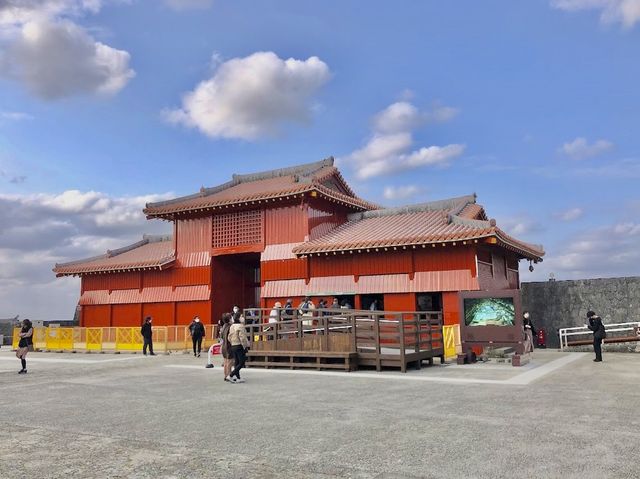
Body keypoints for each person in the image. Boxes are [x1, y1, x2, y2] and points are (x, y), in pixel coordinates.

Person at [228, 313, 249, 383]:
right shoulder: (241, 326)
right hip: (239, 345)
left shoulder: (232, 326)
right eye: (241, 316)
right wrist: (245, 346)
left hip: (233, 345)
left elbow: (229, 337)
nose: (242, 317)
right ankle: (231, 375)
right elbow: (242, 338)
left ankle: (238, 377)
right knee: (242, 362)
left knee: (236, 362)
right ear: (238, 318)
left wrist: (232, 342)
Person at [219, 313, 233, 378]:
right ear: (229, 319)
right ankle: (229, 375)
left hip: (223, 345)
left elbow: (221, 337)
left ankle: (225, 375)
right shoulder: (230, 327)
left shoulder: (223, 326)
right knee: (229, 362)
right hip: (229, 345)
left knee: (225, 361)